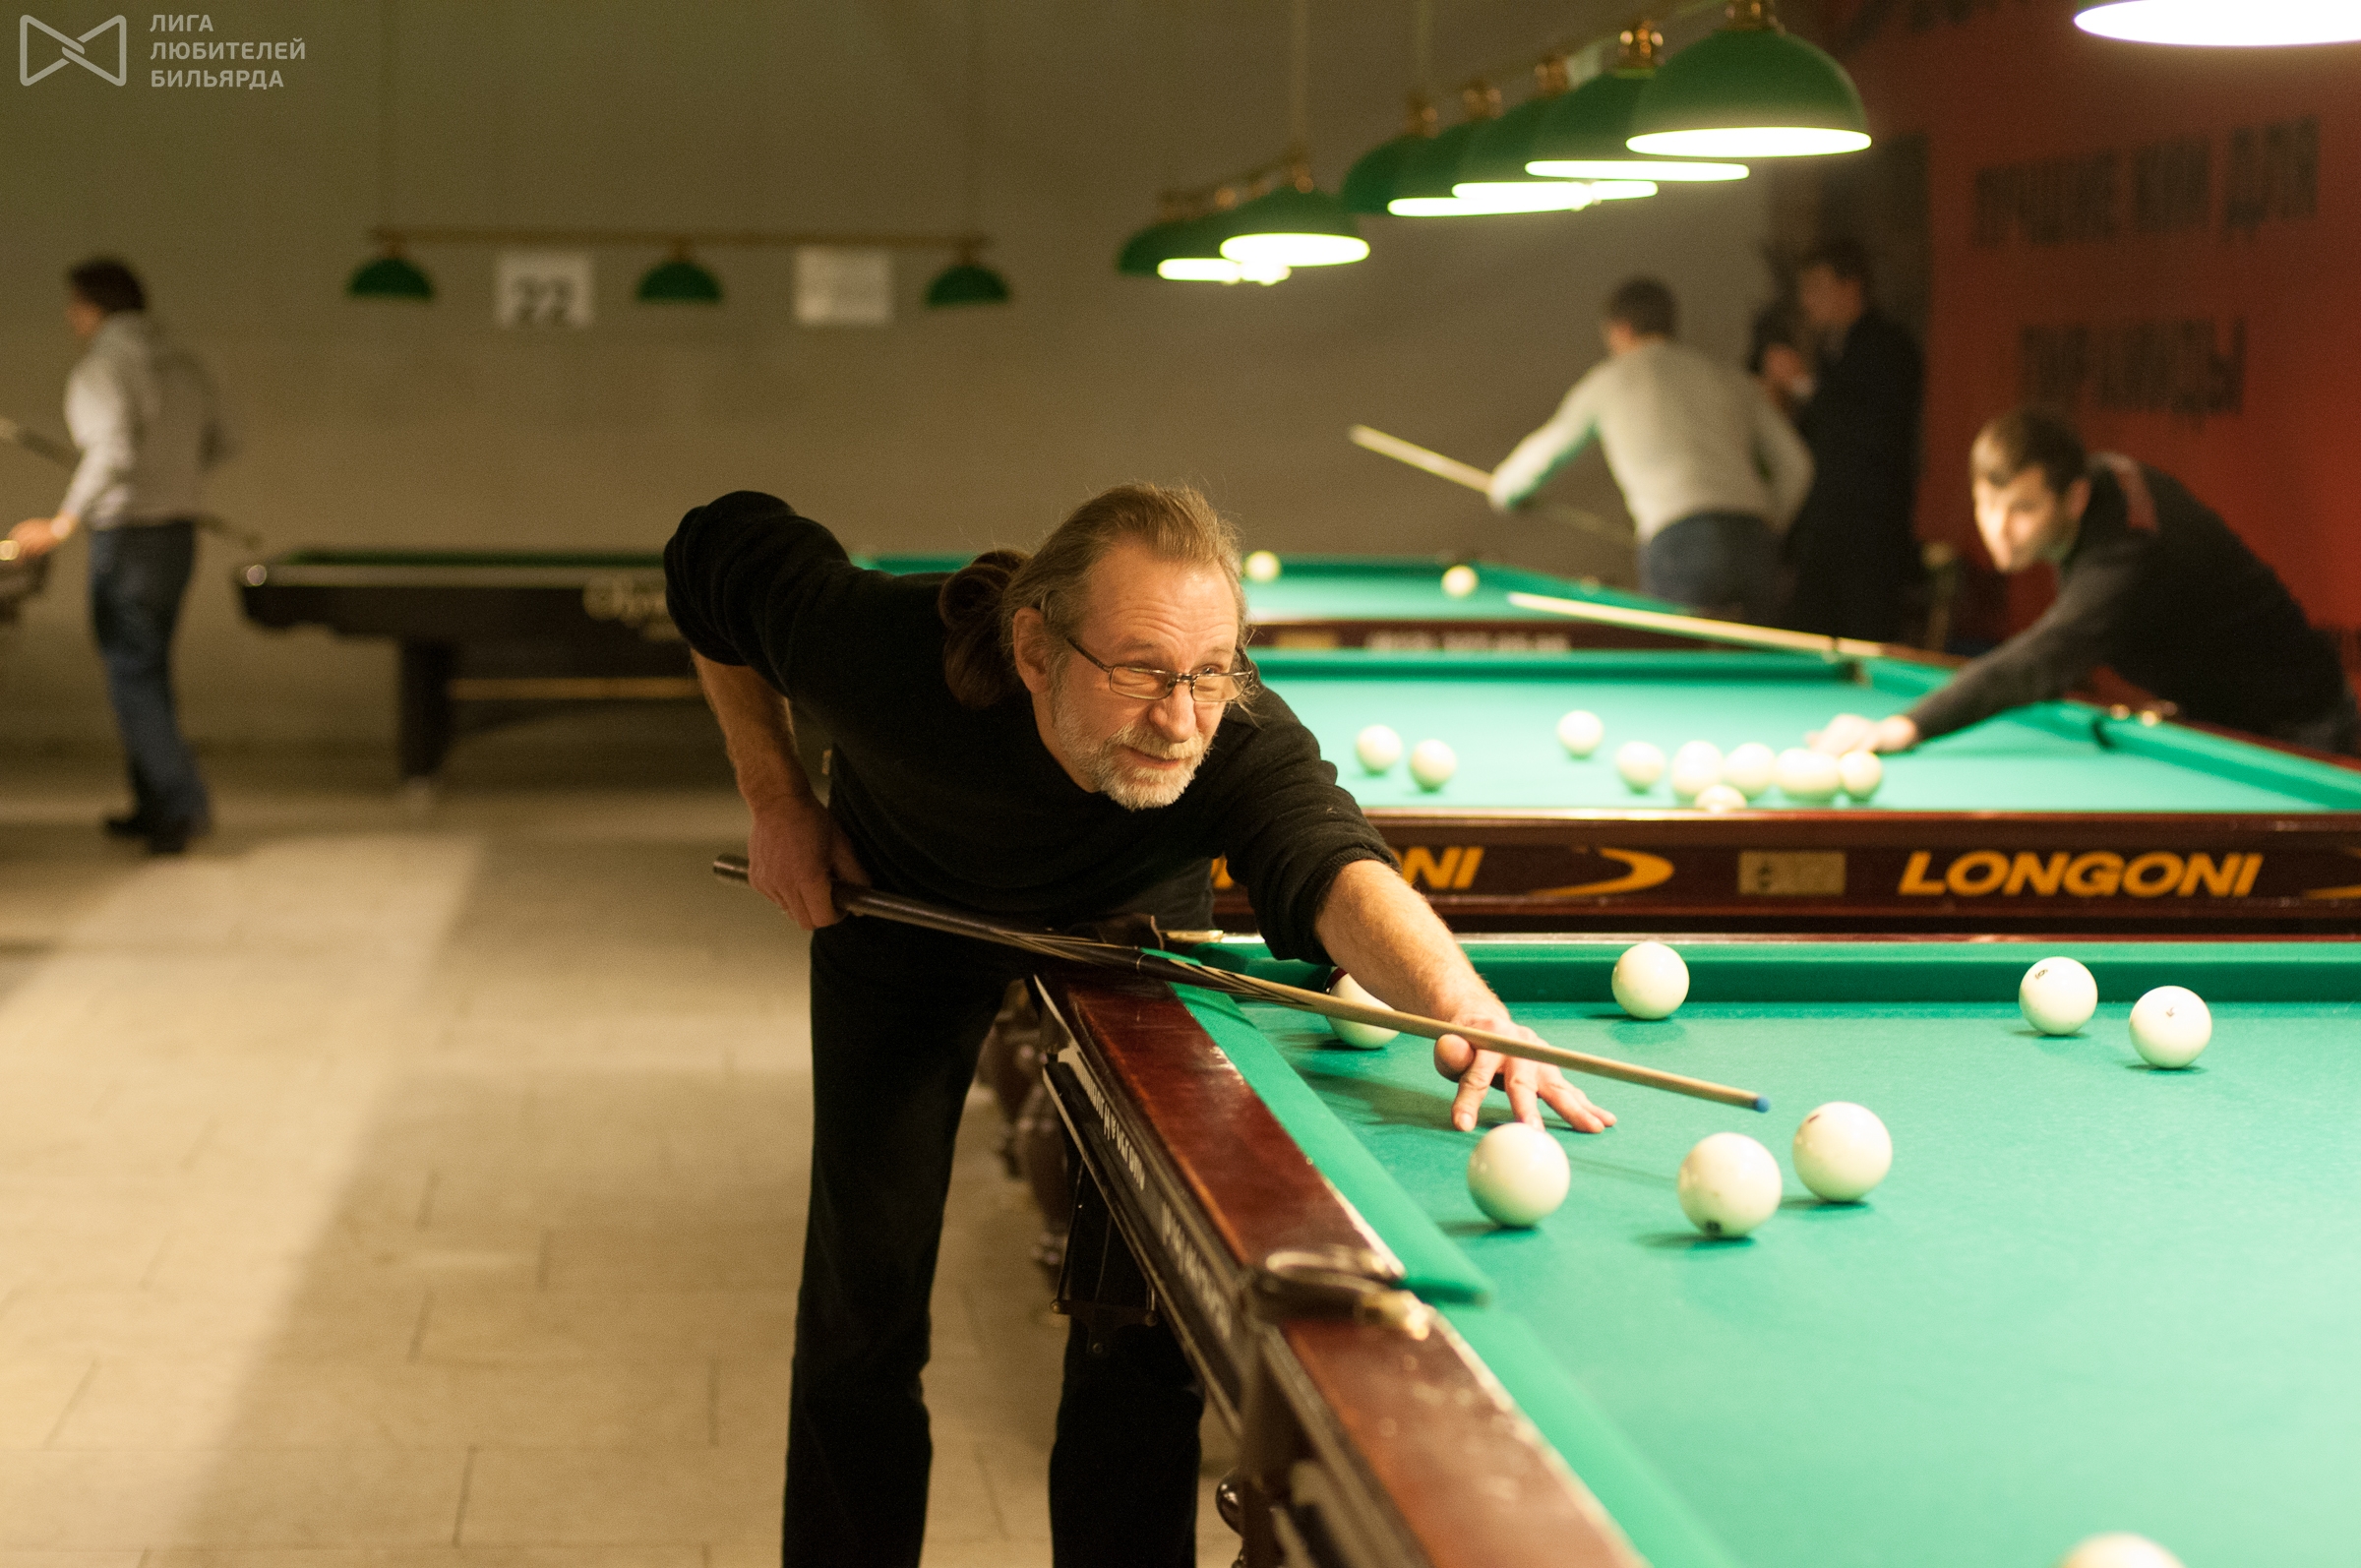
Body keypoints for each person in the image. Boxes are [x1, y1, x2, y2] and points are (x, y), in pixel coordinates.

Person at [664, 482, 1615, 1568]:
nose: (1179, 719)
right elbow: (711, 551)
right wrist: (776, 794)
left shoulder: (1231, 734)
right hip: (902, 919)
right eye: (1139, 672)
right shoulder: (877, 652)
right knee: (861, 1308)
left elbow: (1329, 859)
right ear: (1035, 649)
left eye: (1208, 673)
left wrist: (1461, 1002)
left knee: (1141, 1334)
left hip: (1132, 942)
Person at [1812, 406, 2359, 758]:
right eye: (1986, 504)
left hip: (2300, 726)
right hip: (2228, 718)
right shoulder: (2094, 491)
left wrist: (1907, 725)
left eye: (2022, 508)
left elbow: (2046, 654)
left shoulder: (2127, 547)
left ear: (2073, 498)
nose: (1998, 528)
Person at [7, 258, 232, 853]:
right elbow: (222, 441)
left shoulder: (102, 367)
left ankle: (181, 807)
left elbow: (111, 452)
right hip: (176, 536)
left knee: (132, 672)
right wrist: (173, 483)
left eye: (73, 305)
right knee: (149, 669)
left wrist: (63, 522)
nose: (69, 317)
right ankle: (153, 805)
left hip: (129, 540)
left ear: (90, 307)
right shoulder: (183, 365)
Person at [1487, 275, 1812, 624]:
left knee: (1683, 656)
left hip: (1679, 542)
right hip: (1754, 541)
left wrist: (1504, 489)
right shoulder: (1729, 378)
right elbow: (1798, 466)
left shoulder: (1609, 380)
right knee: (1762, 654)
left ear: (1621, 329)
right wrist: (1769, 521)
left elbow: (1548, 450)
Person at [1771, 239, 1925, 644]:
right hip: (1826, 529)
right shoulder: (1831, 351)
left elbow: (1869, 429)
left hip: (1870, 530)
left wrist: (1803, 386)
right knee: (1806, 638)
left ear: (1850, 287)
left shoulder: (1889, 346)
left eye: (1816, 287)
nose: (1806, 301)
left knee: (1866, 638)